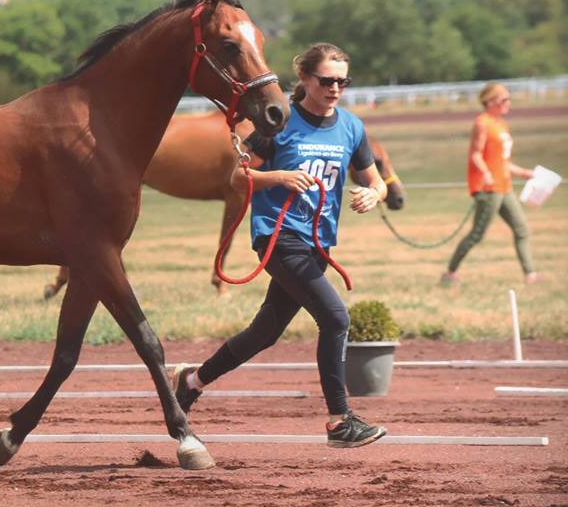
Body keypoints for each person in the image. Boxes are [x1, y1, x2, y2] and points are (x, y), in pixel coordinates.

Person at [173, 42, 388, 448]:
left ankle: (191, 381)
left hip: (318, 244)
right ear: (305, 79)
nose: (335, 88)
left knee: (264, 332)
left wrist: (374, 194)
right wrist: (280, 177)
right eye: (327, 80)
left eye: (343, 81)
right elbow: (239, 179)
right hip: (278, 237)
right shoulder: (279, 124)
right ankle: (339, 421)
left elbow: (373, 179)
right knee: (336, 318)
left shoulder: (352, 127)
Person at [441, 83, 540, 285]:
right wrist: (485, 173)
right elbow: (475, 155)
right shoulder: (482, 123)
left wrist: (523, 173)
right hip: (488, 189)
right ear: (490, 101)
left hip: (504, 186)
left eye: (508, 99)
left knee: (522, 229)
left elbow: (502, 161)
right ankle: (450, 273)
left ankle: (531, 275)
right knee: (477, 234)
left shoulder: (502, 125)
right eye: (504, 100)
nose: (508, 103)